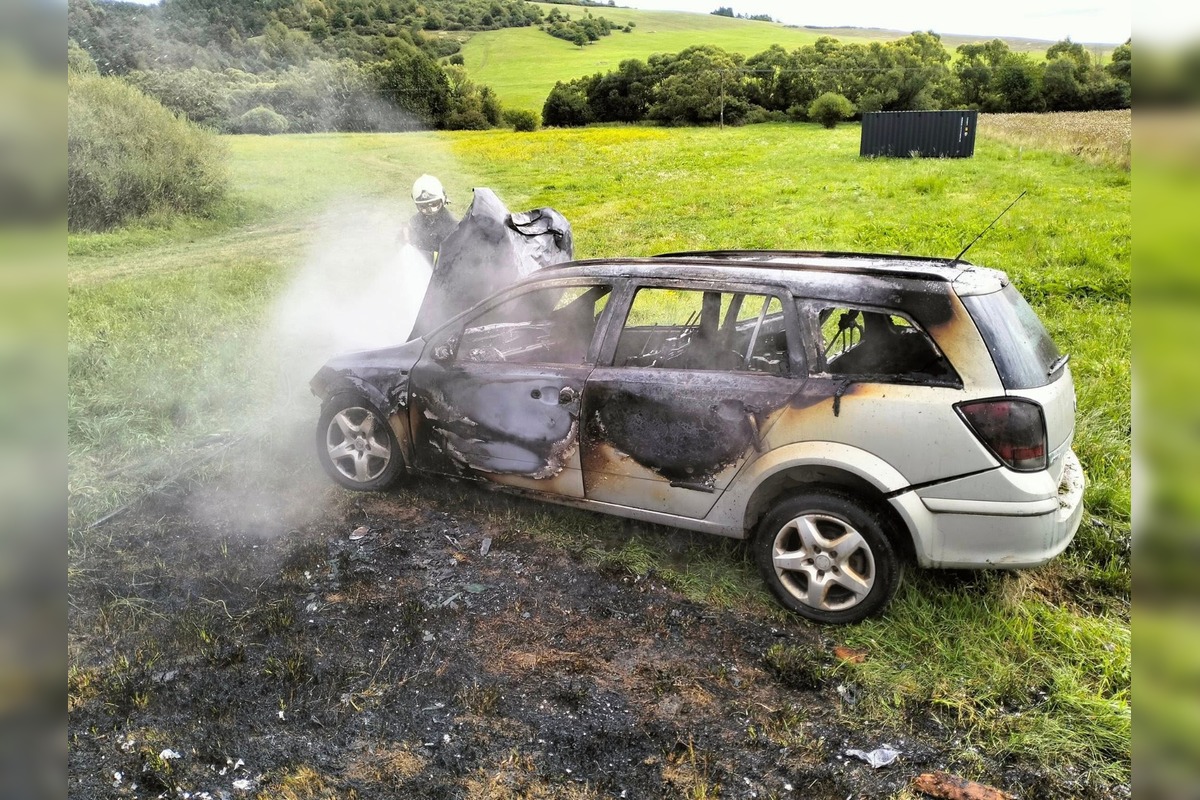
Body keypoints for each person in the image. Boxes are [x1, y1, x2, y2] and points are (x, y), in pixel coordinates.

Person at [401, 174, 458, 266]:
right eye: (423, 207)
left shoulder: (452, 226)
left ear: (443, 200)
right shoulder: (415, 222)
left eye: (434, 205)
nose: (430, 210)